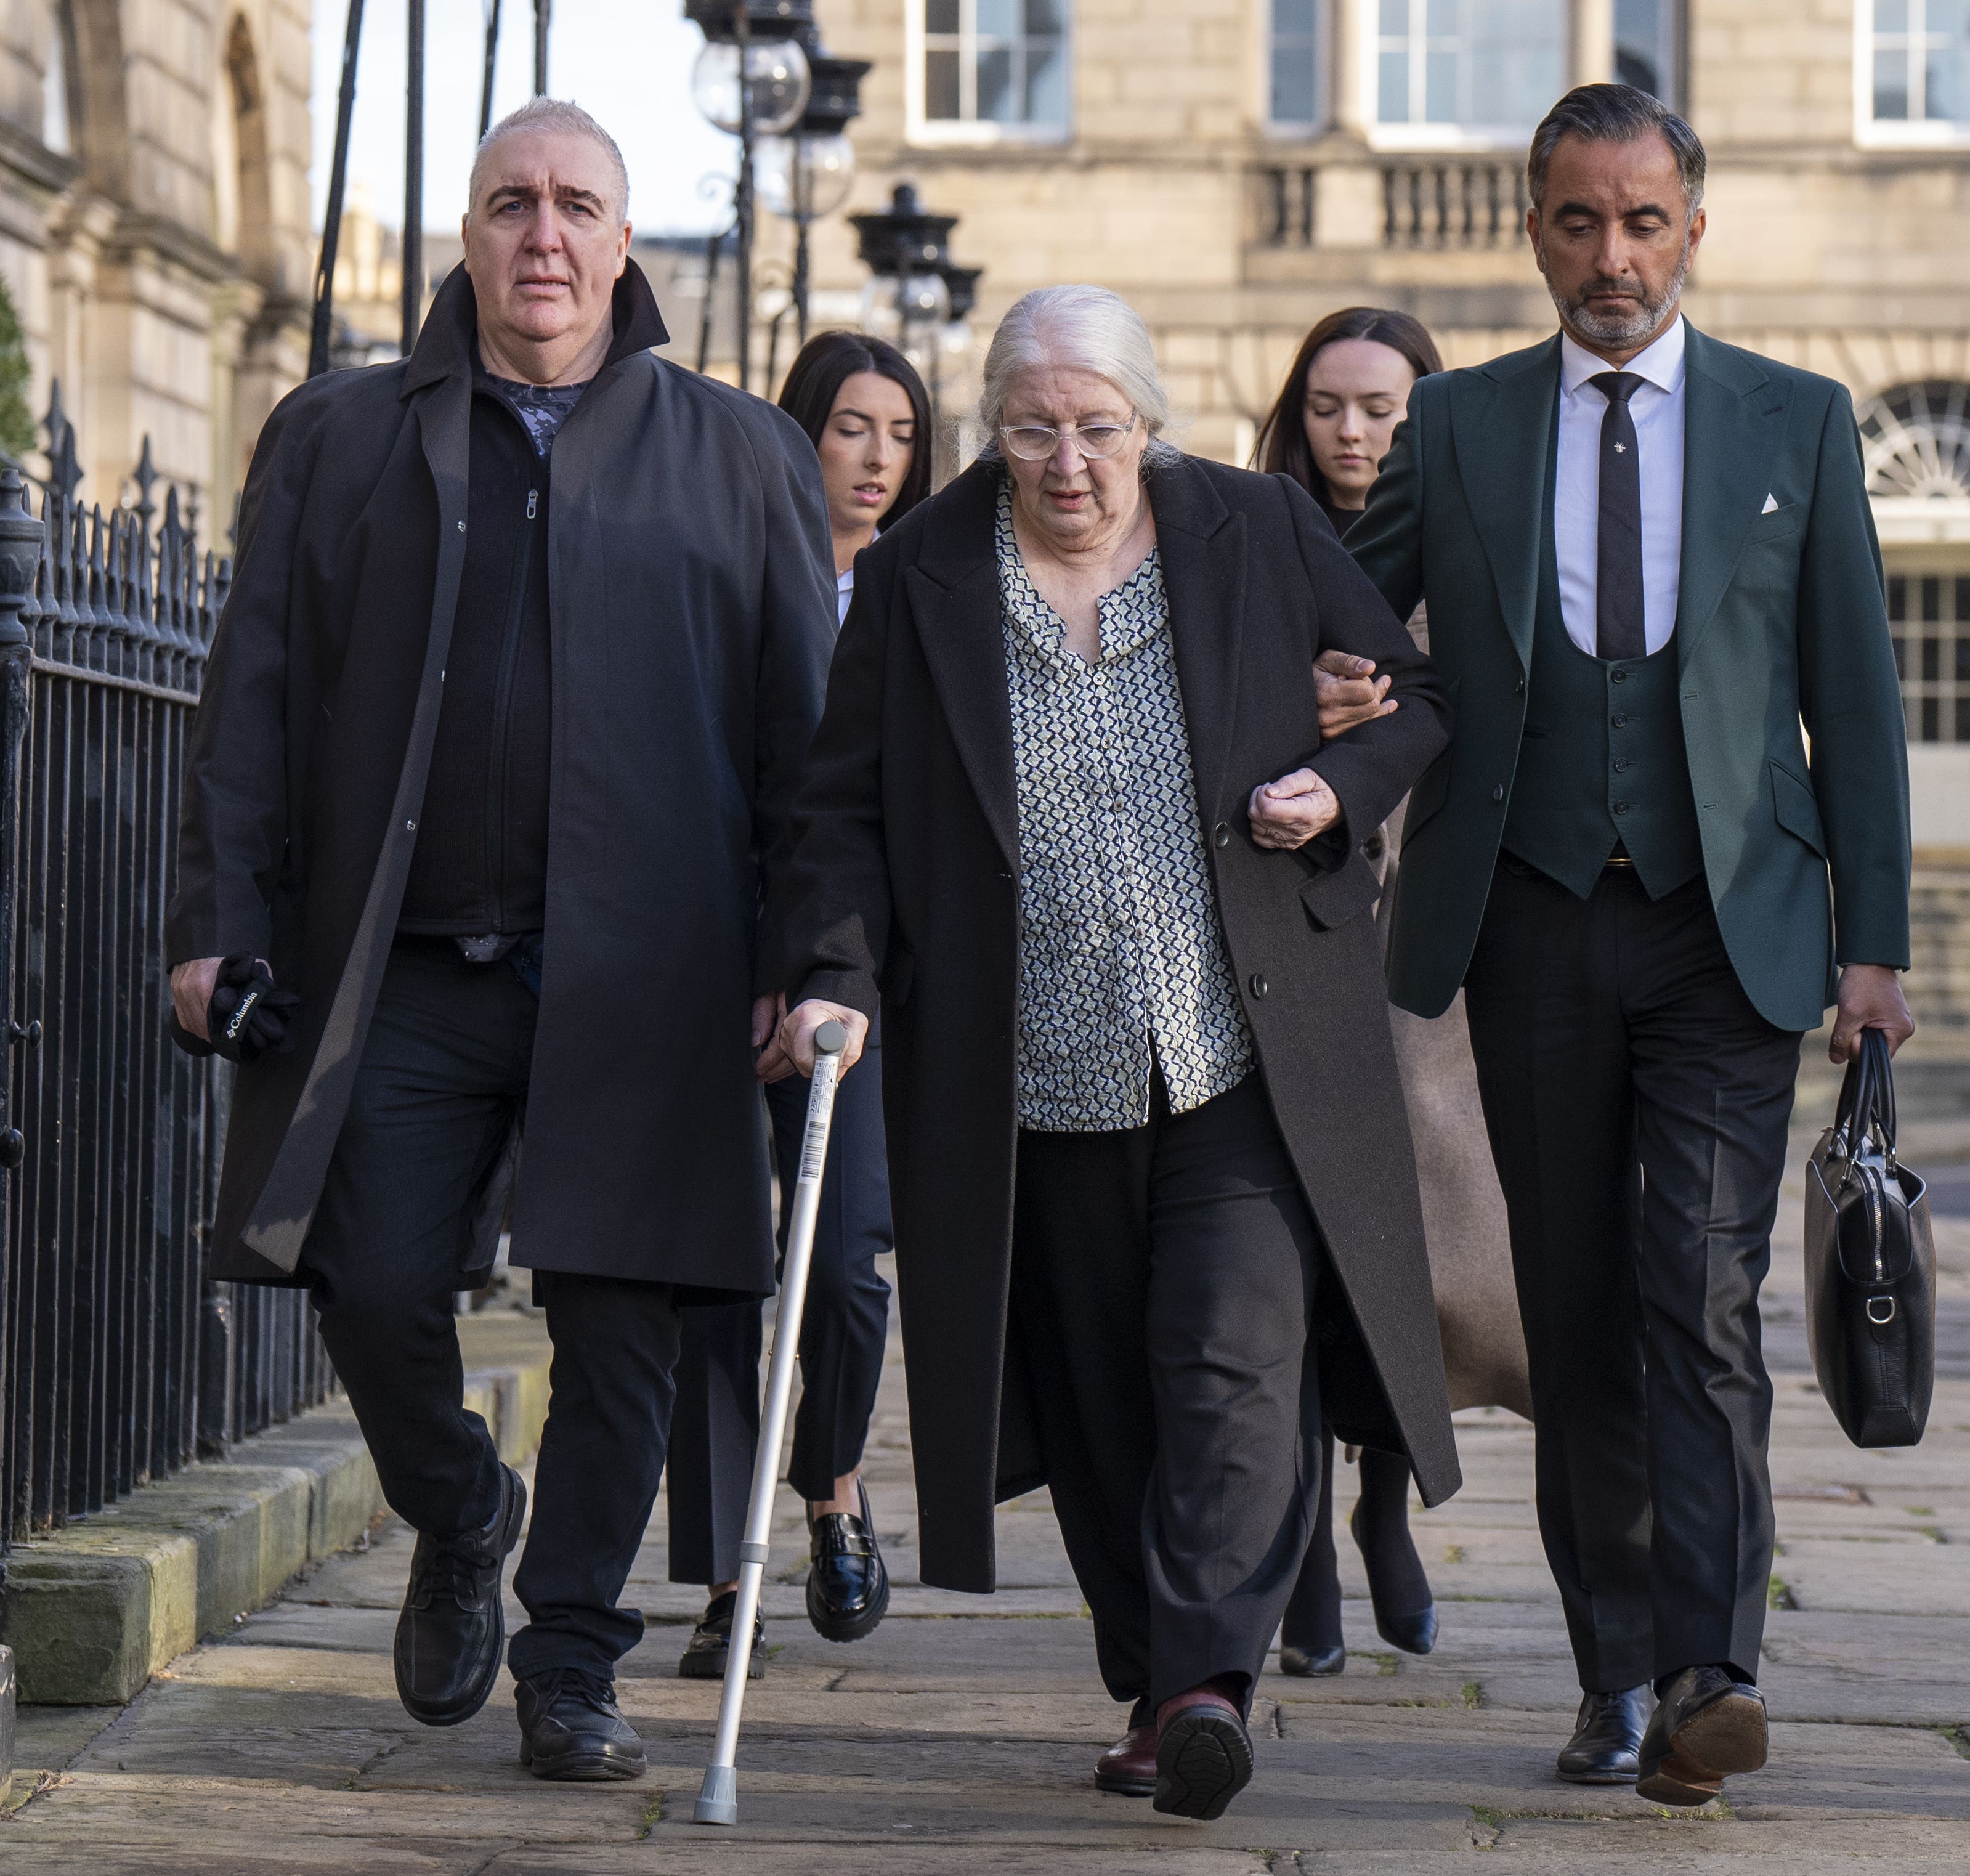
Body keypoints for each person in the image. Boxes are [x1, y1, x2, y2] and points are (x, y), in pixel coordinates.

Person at [163, 99, 835, 1782]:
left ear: (624, 240)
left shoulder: (742, 451)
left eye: (578, 206)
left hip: (655, 972)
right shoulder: (338, 432)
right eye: (511, 202)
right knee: (372, 1279)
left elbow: (809, 745)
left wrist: (817, 953)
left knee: (629, 1328)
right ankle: (463, 1503)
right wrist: (212, 926)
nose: (545, 234)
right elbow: (250, 701)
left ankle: (573, 1658)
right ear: (468, 232)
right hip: (407, 967)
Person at [769, 284, 1461, 1823]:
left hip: (1235, 1048)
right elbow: (840, 812)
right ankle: (1157, 1679)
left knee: (1232, 1363)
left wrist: (1335, 785)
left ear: (1146, 422)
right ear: (996, 428)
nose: (1067, 463)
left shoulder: (1254, 527)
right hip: (1030, 1069)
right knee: (1094, 1404)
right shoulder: (921, 574)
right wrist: (827, 973)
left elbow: (1414, 696)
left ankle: (1211, 1680)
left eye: (1097, 429)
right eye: (1033, 430)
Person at [1342, 83, 1915, 1808]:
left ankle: (1708, 1669)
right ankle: (1608, 1671)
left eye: (1643, 221)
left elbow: (1859, 704)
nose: (1612, 258)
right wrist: (1314, 676)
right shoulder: (1458, 428)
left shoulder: (1795, 423)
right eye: (1580, 222)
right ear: (1534, 228)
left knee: (1702, 1296)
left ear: (1694, 226)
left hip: (1726, 929)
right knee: (1579, 1313)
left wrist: (1872, 946)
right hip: (1522, 919)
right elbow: (1342, 604)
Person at [1253, 307, 1534, 1679]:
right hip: (1291, 927)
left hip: (1434, 941)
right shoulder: (1251, 541)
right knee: (1286, 1245)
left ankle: (1381, 1499)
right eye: (1328, 408)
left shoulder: (1480, 540)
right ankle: (1298, 1536)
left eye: (1382, 409)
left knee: (1422, 1244)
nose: (1353, 434)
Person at [669, 333, 931, 1678]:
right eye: (848, 426)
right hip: (707, 960)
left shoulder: (926, 596)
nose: (875, 456)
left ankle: (830, 1483)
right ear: (795, 439)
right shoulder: (725, 578)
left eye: (897, 430)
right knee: (710, 1271)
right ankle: (726, 1576)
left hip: (853, 984)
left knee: (842, 1263)